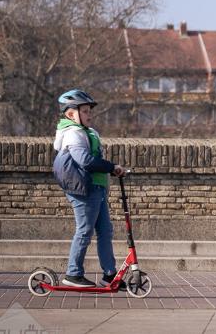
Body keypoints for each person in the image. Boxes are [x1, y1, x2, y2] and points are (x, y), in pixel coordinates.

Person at [52, 89, 126, 288]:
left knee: (105, 231)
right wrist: (112, 167)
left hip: (97, 188)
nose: (89, 115)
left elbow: (95, 160)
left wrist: (111, 171)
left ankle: (110, 275)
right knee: (84, 230)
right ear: (70, 114)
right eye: (85, 111)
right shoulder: (72, 134)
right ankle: (73, 274)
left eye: (89, 111)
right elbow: (85, 161)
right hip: (83, 189)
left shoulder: (90, 133)